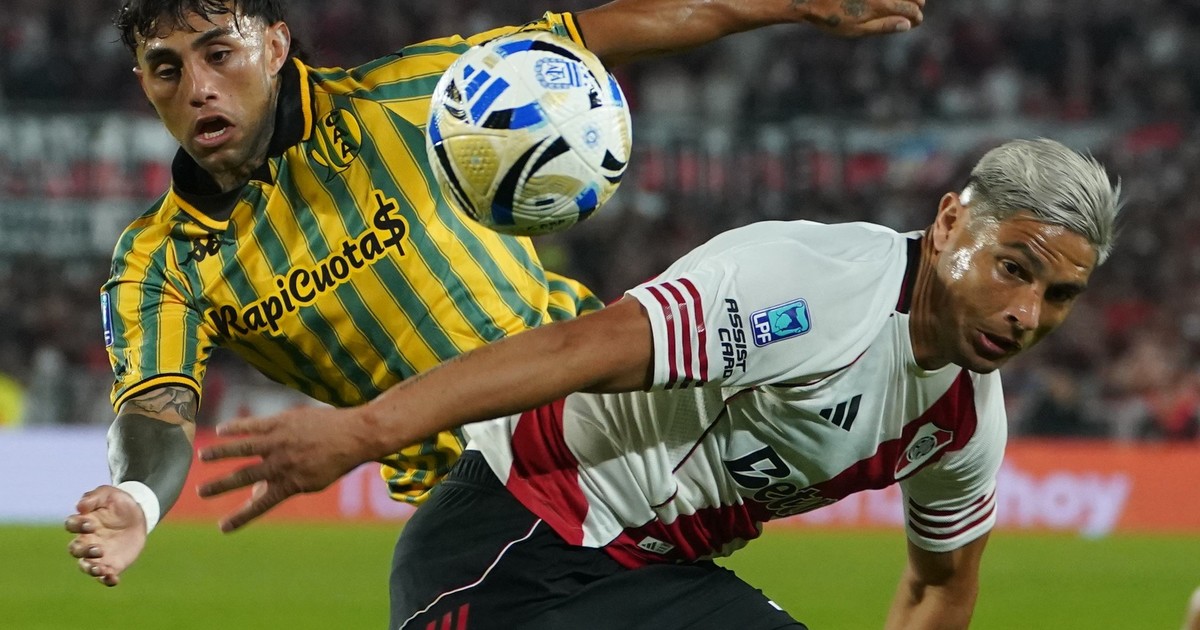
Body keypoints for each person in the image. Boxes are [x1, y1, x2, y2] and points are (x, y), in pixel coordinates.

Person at [64, 0, 926, 590]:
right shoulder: (159, 263)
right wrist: (138, 497)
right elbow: (157, 408)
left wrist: (787, 6)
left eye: (219, 53)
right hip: (480, 497)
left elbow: (590, 37)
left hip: (617, 427)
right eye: (165, 69)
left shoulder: (410, 96)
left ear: (277, 46)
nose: (197, 87)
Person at [195, 138, 1122, 628]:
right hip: (514, 544)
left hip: (659, 581)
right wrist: (364, 431)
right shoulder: (811, 286)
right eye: (1013, 269)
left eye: (1059, 296)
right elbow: (579, 349)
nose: (1027, 314)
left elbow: (939, 586)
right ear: (951, 224)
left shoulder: (963, 422)